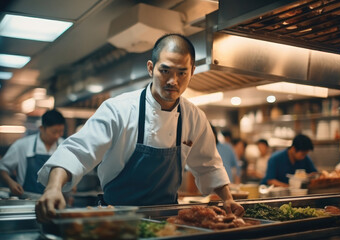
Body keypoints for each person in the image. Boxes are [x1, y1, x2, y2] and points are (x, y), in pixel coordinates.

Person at [35, 34, 244, 222]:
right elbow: (77, 151)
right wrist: (53, 188)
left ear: (192, 72)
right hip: (117, 218)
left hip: (168, 220)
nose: (173, 81)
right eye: (165, 71)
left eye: (182, 73)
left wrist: (227, 199)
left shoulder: (195, 117)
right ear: (151, 68)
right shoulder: (118, 109)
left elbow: (209, 165)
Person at [0, 109, 65, 196]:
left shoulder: (64, 146)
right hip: (27, 199)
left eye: (60, 132)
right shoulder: (22, 145)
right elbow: (2, 168)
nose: (57, 136)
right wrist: (10, 182)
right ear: (42, 128)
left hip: (54, 200)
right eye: (54, 132)